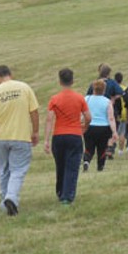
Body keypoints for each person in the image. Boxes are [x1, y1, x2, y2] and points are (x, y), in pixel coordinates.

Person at [0, 65, 39, 217]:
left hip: (2, 138)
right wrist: (35, 131)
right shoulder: (24, 88)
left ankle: (4, 202)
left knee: (4, 170)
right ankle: (11, 198)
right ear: (10, 74)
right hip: (21, 136)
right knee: (18, 170)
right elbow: (34, 112)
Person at [44, 68, 91, 204]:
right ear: (72, 81)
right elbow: (88, 116)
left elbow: (49, 119)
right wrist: (85, 127)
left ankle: (60, 192)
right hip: (74, 135)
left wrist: (46, 140)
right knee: (72, 166)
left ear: (60, 81)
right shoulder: (79, 98)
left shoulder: (55, 99)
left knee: (61, 166)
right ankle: (67, 196)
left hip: (58, 135)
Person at [83, 79, 117, 172]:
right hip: (103, 128)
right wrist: (114, 131)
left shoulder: (86, 99)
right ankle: (100, 166)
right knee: (102, 149)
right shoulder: (107, 101)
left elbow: (82, 113)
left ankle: (86, 160)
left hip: (89, 127)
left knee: (89, 147)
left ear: (93, 88)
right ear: (104, 90)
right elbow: (111, 118)